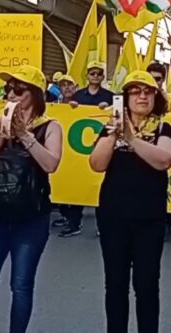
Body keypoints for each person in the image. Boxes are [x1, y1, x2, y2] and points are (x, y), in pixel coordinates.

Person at [0, 65, 64, 333]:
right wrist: (2, 135)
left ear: (34, 95)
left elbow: (51, 164)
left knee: (21, 286)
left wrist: (24, 135)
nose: (11, 94)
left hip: (30, 219)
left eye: (18, 89)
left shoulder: (51, 127)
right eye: (8, 89)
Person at [89, 71, 171, 333]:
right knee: (115, 283)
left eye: (147, 91)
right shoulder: (110, 127)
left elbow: (163, 160)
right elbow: (96, 164)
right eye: (135, 91)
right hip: (113, 216)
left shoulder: (163, 128)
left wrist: (131, 138)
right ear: (125, 98)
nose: (142, 96)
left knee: (147, 283)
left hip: (149, 218)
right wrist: (114, 133)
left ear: (155, 97)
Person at [63, 61, 115, 238]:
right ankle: (73, 223)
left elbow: (117, 114)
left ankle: (103, 226)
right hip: (78, 150)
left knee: (101, 190)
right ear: (88, 75)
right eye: (92, 73)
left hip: (100, 148)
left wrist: (108, 108)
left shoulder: (109, 95)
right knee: (77, 186)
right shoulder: (77, 95)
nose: (95, 76)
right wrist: (71, 108)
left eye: (98, 74)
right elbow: (67, 116)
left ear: (102, 77)